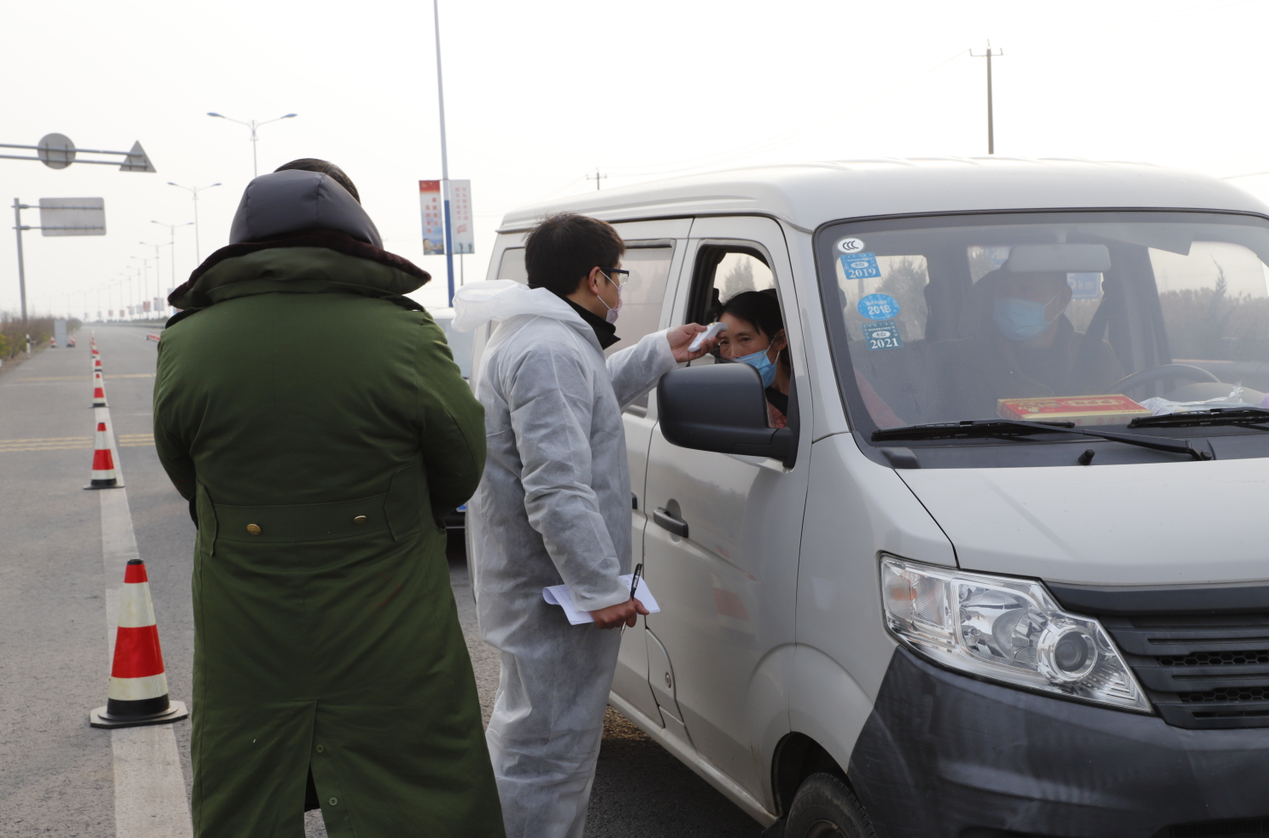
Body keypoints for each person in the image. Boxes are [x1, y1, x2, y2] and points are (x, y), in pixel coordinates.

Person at [152, 160, 504, 838]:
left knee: (248, 778)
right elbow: (461, 466)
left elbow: (187, 473)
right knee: (418, 778)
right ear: (355, 231)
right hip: (390, 609)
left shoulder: (187, 340)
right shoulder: (404, 333)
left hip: (248, 618)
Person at [451, 212, 717, 838]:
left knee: (534, 740)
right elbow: (556, 486)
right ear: (596, 278)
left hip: (540, 585)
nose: (621, 290)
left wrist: (659, 350)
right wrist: (600, 586)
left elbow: (587, 401)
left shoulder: (541, 337)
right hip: (552, 592)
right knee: (548, 756)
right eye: (620, 276)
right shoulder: (548, 349)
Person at [935, 268, 1125, 418]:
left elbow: (1128, 422)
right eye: (1003, 290)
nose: (1010, 299)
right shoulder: (968, 360)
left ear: (1062, 298)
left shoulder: (1098, 355)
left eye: (1025, 289)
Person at [713, 290, 793, 427]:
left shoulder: (818, 386)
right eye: (724, 342)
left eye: (745, 339)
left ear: (779, 340)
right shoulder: (733, 406)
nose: (733, 354)